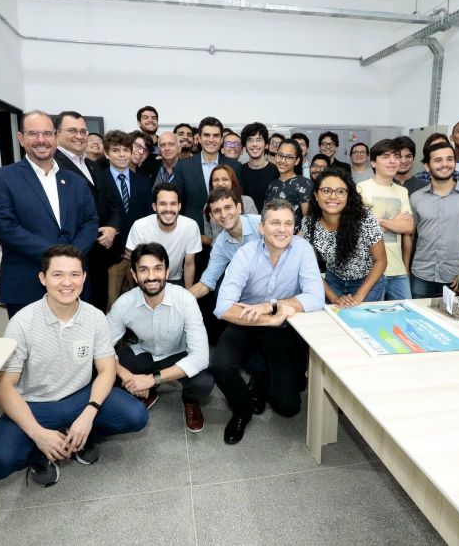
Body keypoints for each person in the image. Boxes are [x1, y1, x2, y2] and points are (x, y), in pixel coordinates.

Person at [0, 245, 148, 487]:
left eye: (74, 274)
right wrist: (38, 435)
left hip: (80, 396)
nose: (67, 282)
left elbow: (107, 369)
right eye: (57, 275)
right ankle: (41, 450)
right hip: (36, 404)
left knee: (136, 415)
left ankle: (80, 436)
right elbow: (2, 388)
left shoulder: (94, 317)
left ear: (84, 277)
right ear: (43, 278)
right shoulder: (22, 323)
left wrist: (89, 415)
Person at [211, 199, 324, 444]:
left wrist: (272, 306)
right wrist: (268, 319)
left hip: (283, 327)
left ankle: (262, 379)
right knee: (220, 365)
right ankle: (241, 410)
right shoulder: (245, 254)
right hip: (247, 322)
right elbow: (222, 308)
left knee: (288, 406)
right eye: (275, 223)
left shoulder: (303, 249)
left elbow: (316, 297)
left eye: (288, 223)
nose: (282, 229)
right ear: (261, 227)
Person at [0, 110, 99, 318]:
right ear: (20, 138)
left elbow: (90, 222)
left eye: (47, 134)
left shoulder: (76, 181)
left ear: (56, 137)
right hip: (27, 284)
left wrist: (71, 258)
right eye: (33, 134)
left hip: (74, 285)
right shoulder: (2, 178)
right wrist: (58, 257)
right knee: (32, 350)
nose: (41, 140)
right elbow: (5, 228)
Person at [108, 243, 213, 432]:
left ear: (167, 273)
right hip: (146, 352)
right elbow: (102, 348)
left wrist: (151, 379)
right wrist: (128, 376)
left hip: (179, 353)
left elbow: (200, 356)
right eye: (143, 270)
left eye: (157, 269)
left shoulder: (185, 300)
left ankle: (189, 401)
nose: (151, 277)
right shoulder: (124, 304)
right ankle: (148, 392)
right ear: (134, 274)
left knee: (203, 383)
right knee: (105, 372)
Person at [54, 111, 122, 312]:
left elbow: (112, 203)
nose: (79, 136)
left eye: (83, 131)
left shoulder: (92, 165)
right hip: (74, 252)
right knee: (75, 310)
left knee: (96, 307)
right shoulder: (55, 166)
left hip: (99, 254)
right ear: (57, 134)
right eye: (72, 130)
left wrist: (112, 227)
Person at [409, 141, 459, 298]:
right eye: (438, 160)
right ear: (427, 166)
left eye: (449, 159)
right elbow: (410, 236)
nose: (445, 164)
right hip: (422, 273)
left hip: (456, 276)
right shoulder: (416, 197)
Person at [303, 167, 387, 304]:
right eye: (326, 190)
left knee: (361, 321)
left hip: (367, 282)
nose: (333, 196)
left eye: (340, 192)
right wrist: (334, 298)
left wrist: (358, 297)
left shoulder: (364, 218)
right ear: (316, 195)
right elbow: (310, 268)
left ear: (348, 196)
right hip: (333, 282)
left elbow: (381, 261)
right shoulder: (308, 223)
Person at [99, 130, 154, 310]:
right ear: (107, 153)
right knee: (112, 303)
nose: (122, 155)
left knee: (138, 302)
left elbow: (148, 219)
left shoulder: (144, 182)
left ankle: (134, 337)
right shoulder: (98, 180)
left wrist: (139, 249)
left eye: (126, 150)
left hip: (137, 253)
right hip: (110, 254)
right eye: (116, 150)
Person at [356, 139, 414, 300]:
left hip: (398, 269)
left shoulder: (402, 191)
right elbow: (361, 230)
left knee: (406, 313)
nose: (393, 161)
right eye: (386, 156)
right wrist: (395, 221)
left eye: (396, 156)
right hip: (370, 269)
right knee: (370, 318)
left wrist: (379, 221)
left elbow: (408, 227)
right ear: (373, 162)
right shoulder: (360, 188)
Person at [173, 116, 243, 234]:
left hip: (228, 234)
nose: (211, 139)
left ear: (221, 140)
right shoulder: (183, 166)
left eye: (216, 136)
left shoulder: (235, 167)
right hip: (194, 233)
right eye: (206, 135)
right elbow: (178, 202)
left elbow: (239, 201)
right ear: (199, 138)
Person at [190, 187, 262, 300]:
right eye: (217, 211)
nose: (223, 215)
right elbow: (206, 283)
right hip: (251, 299)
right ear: (212, 216)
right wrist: (179, 300)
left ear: (238, 208)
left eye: (228, 207)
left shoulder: (260, 224)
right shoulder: (220, 244)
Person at [126, 183, 202, 287]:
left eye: (173, 204)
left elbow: (189, 264)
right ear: (154, 206)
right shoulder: (139, 226)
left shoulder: (190, 226)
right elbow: (135, 264)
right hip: (147, 280)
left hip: (174, 280)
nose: (168, 209)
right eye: (163, 204)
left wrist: (188, 295)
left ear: (179, 206)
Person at [264, 139, 313, 233]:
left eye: (289, 157)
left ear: (297, 161)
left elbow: (309, 222)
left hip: (294, 241)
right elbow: (266, 215)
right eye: (280, 155)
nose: (283, 160)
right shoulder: (272, 185)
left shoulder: (304, 184)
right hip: (272, 238)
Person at [203, 164, 257, 243]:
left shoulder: (246, 201)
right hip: (220, 252)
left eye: (225, 179)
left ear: (232, 181)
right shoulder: (207, 206)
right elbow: (209, 237)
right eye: (216, 180)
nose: (220, 183)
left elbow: (256, 229)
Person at [240, 122, 279, 211]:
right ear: (245, 147)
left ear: (266, 145)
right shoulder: (239, 171)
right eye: (250, 140)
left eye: (259, 140)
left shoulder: (276, 171)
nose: (254, 144)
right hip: (245, 222)